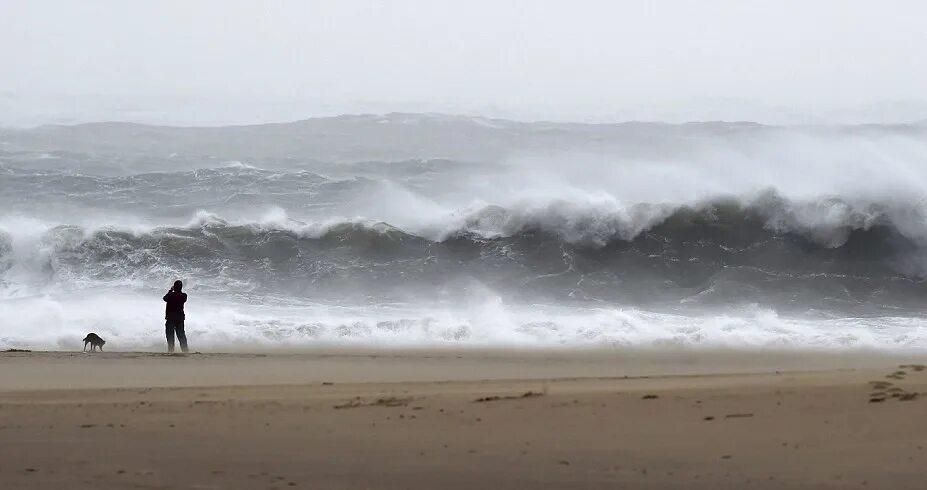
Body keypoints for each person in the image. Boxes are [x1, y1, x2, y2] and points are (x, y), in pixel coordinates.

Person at [163, 280, 189, 353]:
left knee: (170, 336)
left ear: (174, 287)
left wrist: (170, 290)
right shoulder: (184, 296)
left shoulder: (171, 295)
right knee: (181, 336)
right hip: (180, 318)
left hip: (170, 317)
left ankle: (171, 351)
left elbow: (165, 298)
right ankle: (185, 351)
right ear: (181, 287)